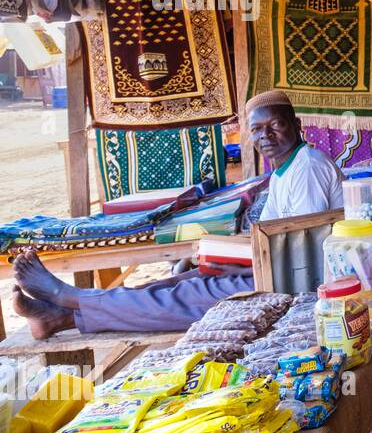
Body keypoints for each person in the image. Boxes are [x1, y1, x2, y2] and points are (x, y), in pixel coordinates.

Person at [11, 91, 344, 339]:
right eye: (257, 130)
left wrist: (237, 263)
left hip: (300, 284)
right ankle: (60, 318)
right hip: (278, 270)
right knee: (177, 282)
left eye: (275, 125)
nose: (265, 137)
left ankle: (69, 298)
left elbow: (300, 252)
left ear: (297, 126)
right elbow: (269, 236)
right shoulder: (286, 171)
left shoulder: (308, 168)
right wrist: (220, 258)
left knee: (183, 297)